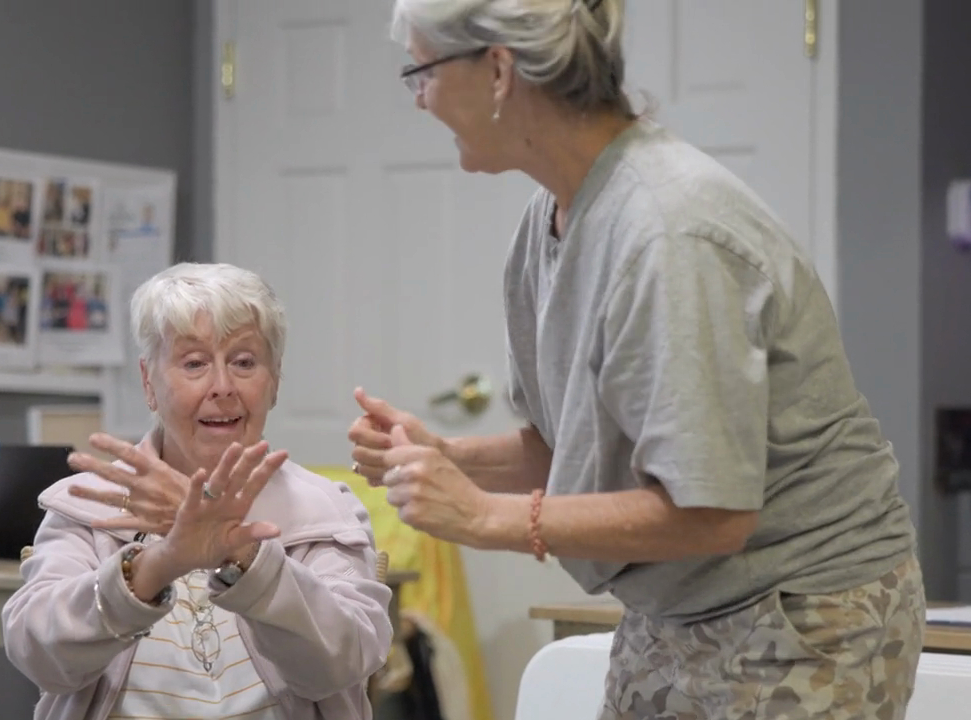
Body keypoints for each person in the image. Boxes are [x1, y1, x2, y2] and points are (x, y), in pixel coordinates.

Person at [348, 1, 926, 718]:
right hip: (680, 604)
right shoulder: (551, 219)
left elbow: (710, 510)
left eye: (422, 72)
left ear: (498, 70)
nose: (419, 99)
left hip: (802, 610)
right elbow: (570, 447)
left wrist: (488, 516)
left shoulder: (670, 232)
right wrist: (450, 457)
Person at [4, 262, 392, 720]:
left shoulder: (324, 512)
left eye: (244, 362)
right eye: (194, 364)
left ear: (274, 382)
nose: (222, 387)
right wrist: (158, 564)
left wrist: (241, 552)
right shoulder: (90, 507)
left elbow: (342, 664)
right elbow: (42, 658)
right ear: (149, 382)